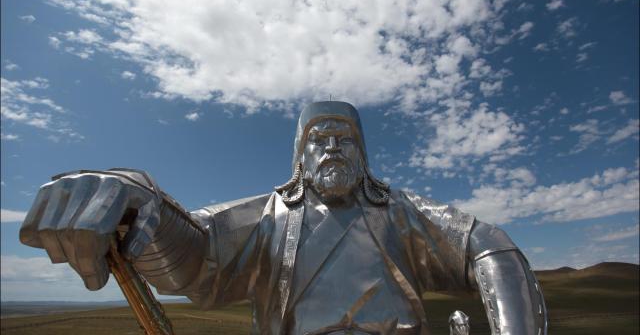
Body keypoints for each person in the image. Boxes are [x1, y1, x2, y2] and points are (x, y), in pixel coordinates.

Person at [20, 101, 547, 335]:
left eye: (345, 138)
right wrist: (140, 202)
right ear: (300, 155)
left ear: (364, 154)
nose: (333, 147)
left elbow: (489, 247)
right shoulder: (268, 217)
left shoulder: (402, 214)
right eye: (320, 138)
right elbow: (199, 255)